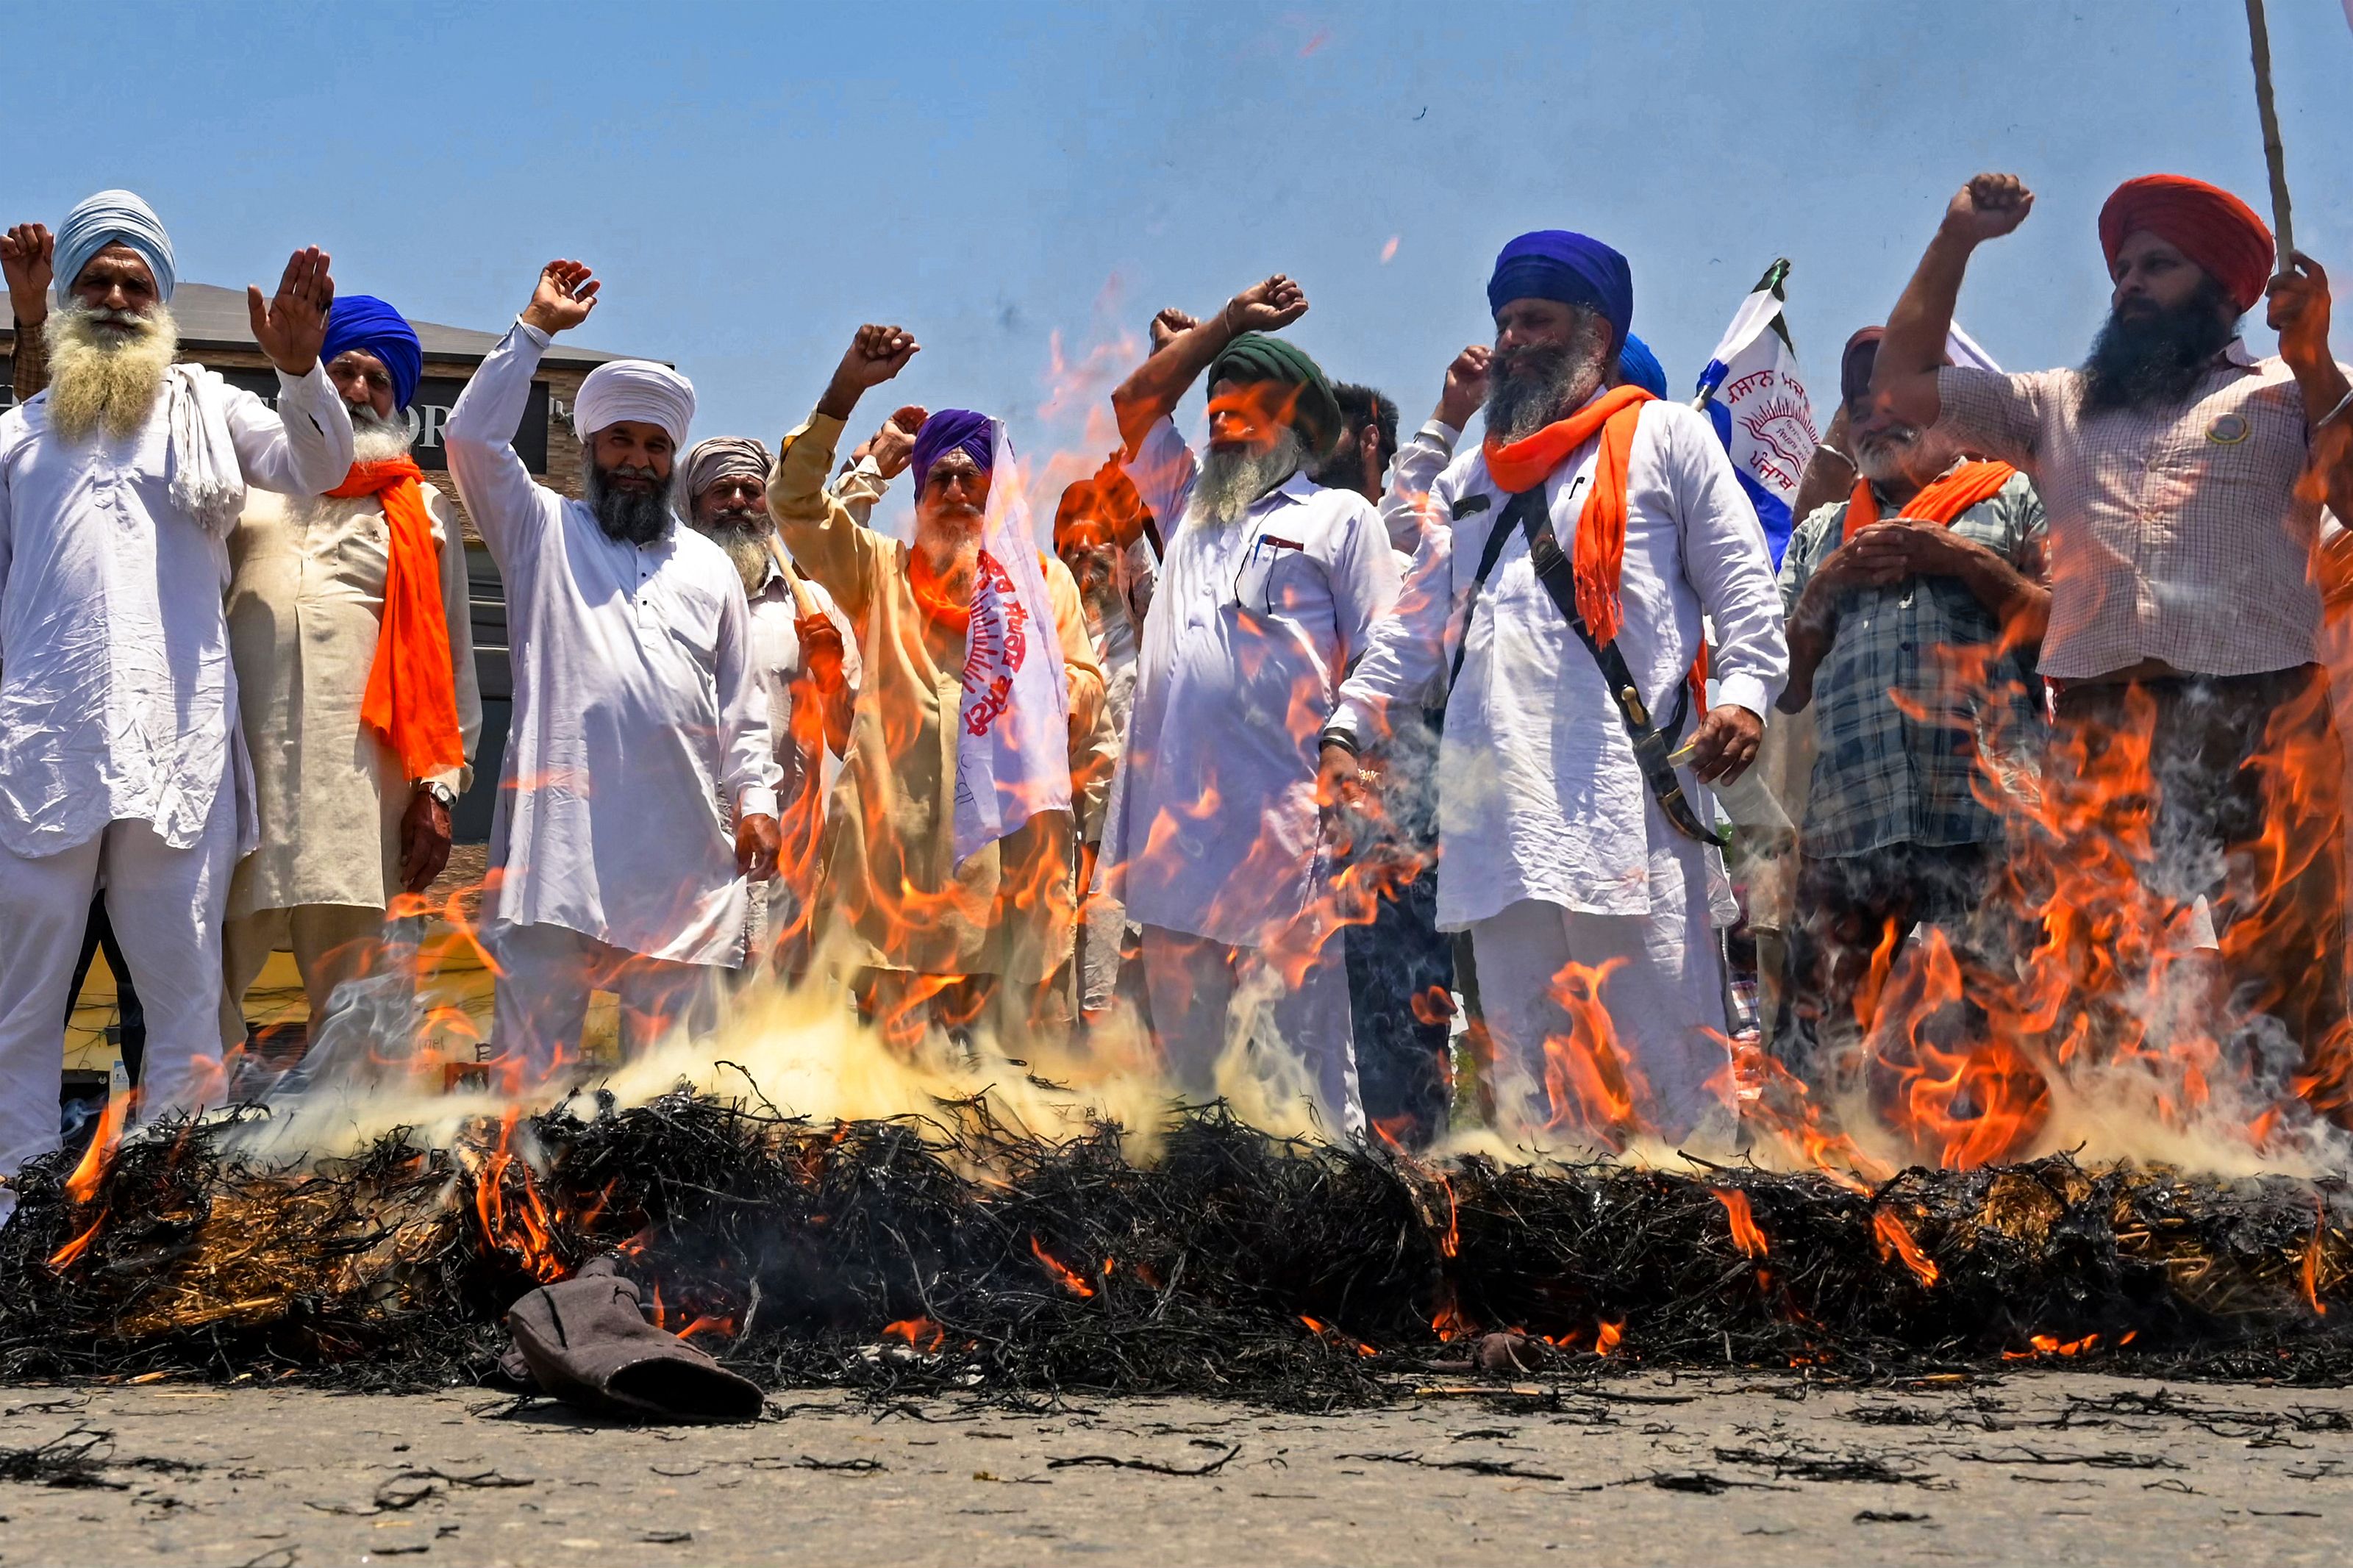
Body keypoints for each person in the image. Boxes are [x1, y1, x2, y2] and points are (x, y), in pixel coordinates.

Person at [1873, 172, 2353, 1117]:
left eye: (2156, 265)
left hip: (2264, 718)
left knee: (2295, 970)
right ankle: (2113, 1170)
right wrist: (1956, 237)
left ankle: (2320, 1185)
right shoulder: (2056, 403)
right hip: (2099, 725)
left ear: (2224, 290)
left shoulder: (2281, 390)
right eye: (2121, 267)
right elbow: (1898, 386)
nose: (2126, 283)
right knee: (2089, 968)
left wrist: (2314, 360)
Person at [1321, 229, 1788, 1147]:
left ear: (1598, 334)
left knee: (1667, 1081)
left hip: (1624, 810)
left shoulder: (1667, 437)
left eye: (1533, 320)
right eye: (1502, 322)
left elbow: (1743, 589)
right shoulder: (1469, 476)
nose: (1510, 341)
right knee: (1535, 1090)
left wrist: (1739, 695)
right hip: (1494, 821)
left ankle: (1697, 1265)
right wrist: (1347, 727)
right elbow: (1413, 629)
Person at [0, 190, 354, 1200]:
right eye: (98, 283)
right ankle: (15, 1221)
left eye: (135, 283)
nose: (116, 297)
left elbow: (319, 464)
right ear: (66, 300)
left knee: (186, 1008)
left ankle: (170, 1220)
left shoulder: (214, 410)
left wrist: (297, 366)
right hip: (43, 757)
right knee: (19, 1013)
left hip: (175, 753)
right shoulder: (15, 441)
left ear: (161, 302)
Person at [443, 262, 779, 1082]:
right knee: (531, 1082)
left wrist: (758, 802)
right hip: (559, 855)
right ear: (590, 449)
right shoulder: (541, 531)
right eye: (620, 441)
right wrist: (533, 331)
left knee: (666, 1097)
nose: (637, 459)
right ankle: (522, 1209)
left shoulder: (706, 567)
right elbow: (469, 440)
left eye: (654, 445)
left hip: (683, 860)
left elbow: (743, 707)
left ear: (672, 462)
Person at [1099, 275, 1401, 1137]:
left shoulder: (1338, 518)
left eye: (1248, 406)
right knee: (1188, 1093)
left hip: (1281, 841)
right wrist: (1222, 329)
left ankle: (1327, 1244)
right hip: (1172, 845)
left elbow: (1391, 646)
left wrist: (1347, 738)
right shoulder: (1187, 505)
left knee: (1296, 1085)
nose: (1223, 418)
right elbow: (1132, 403)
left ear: (1298, 428)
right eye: (1216, 405)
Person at [768, 325, 1106, 1055]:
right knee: (895, 1128)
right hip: (896, 899)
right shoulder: (879, 574)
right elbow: (794, 505)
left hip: (1012, 894)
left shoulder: (1043, 584)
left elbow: (1084, 690)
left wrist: (1030, 697)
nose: (955, 492)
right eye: (939, 480)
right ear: (917, 494)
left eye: (970, 478)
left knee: (1021, 1126)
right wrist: (846, 390)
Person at [1775, 326, 2049, 1075]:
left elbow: (2063, 632)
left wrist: (1956, 557)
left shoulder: (2012, 497)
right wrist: (1827, 585)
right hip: (1848, 823)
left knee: (1998, 1041)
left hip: (1986, 816)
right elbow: (1786, 685)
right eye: (1857, 397)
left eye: (1895, 390)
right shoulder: (1818, 537)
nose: (1873, 410)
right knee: (1816, 1045)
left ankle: (2014, 1191)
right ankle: (1806, 1182)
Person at [211, 296, 481, 1050]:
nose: (359, 391)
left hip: (365, 796)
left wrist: (436, 792)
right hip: (239, 786)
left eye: (377, 380)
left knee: (363, 1018)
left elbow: (455, 662)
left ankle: (362, 1151)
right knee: (199, 994)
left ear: (399, 400)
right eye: (343, 372)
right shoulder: (246, 486)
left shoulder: (420, 510)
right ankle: (187, 1146)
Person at [675, 434, 860, 976]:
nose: (737, 502)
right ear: (694, 506)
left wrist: (829, 670)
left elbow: (848, 740)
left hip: (788, 859)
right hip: (691, 855)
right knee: (686, 1028)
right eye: (721, 490)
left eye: (751, 490)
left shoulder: (813, 606)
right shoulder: (667, 597)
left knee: (776, 1033)